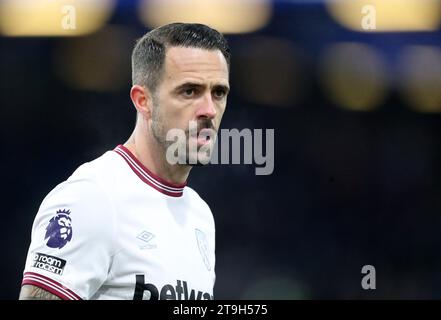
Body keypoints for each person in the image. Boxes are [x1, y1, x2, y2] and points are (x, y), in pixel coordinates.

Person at [19, 22, 230, 300]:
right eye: (189, 91)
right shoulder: (93, 197)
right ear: (143, 101)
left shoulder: (200, 215)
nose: (209, 110)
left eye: (218, 93)